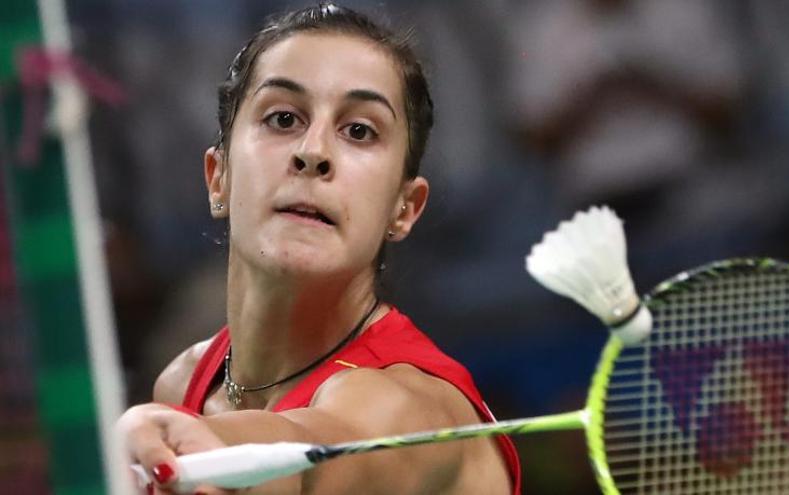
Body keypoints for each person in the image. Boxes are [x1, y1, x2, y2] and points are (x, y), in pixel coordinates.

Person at [116, 3, 521, 494]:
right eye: (283, 118)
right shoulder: (185, 383)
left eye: (359, 131)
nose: (313, 152)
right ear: (218, 177)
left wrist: (205, 440)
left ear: (404, 208)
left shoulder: (412, 409)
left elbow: (317, 447)